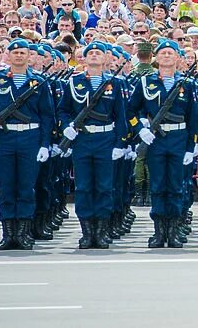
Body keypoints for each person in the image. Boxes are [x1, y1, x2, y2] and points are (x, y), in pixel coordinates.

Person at [0, 38, 55, 250]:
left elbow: (48, 116)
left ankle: (23, 233)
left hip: (30, 138)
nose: (19, 55)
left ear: (29, 56)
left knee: (26, 187)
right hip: (5, 138)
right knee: (7, 186)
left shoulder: (39, 82)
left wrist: (44, 144)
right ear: (7, 55)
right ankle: (8, 233)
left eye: (23, 52)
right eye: (15, 52)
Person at [130, 39, 198, 248]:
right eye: (163, 53)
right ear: (156, 58)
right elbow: (132, 111)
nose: (167, 56)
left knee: (176, 186)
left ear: (178, 58)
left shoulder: (188, 84)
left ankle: (174, 230)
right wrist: (140, 128)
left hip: (178, 139)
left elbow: (194, 118)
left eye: (171, 53)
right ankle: (159, 231)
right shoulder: (145, 82)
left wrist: (192, 145)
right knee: (158, 186)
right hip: (156, 140)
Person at [60, 42, 128, 249]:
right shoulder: (74, 83)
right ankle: (87, 232)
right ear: (84, 58)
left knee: (104, 186)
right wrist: (67, 127)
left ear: (106, 58)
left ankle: (101, 230)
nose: (95, 56)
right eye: (91, 53)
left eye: (99, 53)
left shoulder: (114, 83)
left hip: (105, 140)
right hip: (82, 140)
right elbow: (63, 110)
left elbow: (121, 116)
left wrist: (120, 142)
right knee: (84, 187)